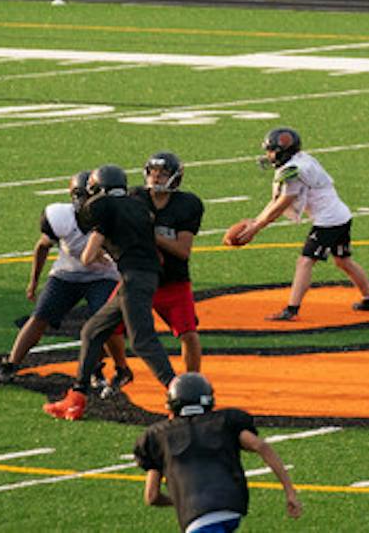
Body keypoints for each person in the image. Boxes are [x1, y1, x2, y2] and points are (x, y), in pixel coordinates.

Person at [44, 164, 179, 420]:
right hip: (144, 275)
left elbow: (87, 256)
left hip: (134, 278)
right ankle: (77, 397)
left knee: (142, 340)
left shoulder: (104, 208)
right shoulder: (138, 204)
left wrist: (103, 252)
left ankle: (179, 394)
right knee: (92, 331)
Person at [222, 127, 369, 321]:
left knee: (305, 262)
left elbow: (282, 203)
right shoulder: (299, 161)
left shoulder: (294, 171)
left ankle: (292, 309)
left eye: (271, 150)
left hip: (329, 221)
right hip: (340, 216)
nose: (268, 155)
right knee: (343, 261)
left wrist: (257, 226)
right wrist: (256, 221)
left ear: (283, 151)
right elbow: (276, 201)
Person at [0, 171, 126, 387]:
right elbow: (42, 246)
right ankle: (11, 364)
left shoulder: (116, 216)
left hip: (105, 276)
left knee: (103, 323)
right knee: (40, 316)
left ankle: (110, 368)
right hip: (67, 274)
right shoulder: (60, 217)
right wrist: (34, 281)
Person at [133, 372, 302, 527]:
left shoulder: (158, 436)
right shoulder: (226, 421)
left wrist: (181, 500)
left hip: (199, 518)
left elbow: (152, 496)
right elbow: (260, 446)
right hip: (232, 508)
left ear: (171, 406)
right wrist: (290, 492)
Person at [146, 150, 207, 376]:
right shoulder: (135, 199)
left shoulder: (187, 204)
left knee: (188, 333)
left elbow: (182, 251)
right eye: (153, 172)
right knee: (104, 328)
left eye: (162, 173)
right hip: (139, 278)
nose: (156, 177)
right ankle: (117, 370)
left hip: (173, 281)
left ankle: (193, 379)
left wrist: (151, 235)